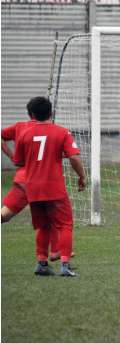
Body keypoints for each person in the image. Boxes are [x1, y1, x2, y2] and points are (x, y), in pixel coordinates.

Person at [13, 97, 87, 277]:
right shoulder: (61, 132)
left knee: (44, 226)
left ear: (31, 115)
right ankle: (65, 267)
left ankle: (41, 264)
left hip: (32, 186)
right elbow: (74, 157)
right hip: (52, 186)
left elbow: (18, 161)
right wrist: (82, 177)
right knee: (65, 226)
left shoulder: (24, 134)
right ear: (51, 113)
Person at [1, 101, 75, 262]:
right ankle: (57, 253)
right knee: (5, 215)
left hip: (26, 180)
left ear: (30, 114)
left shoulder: (21, 127)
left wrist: (11, 156)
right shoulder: (55, 131)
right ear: (51, 113)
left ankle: (55, 251)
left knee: (49, 217)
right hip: (34, 180)